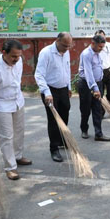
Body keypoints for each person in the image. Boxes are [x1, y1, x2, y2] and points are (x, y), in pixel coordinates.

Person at [0, 39, 31, 180]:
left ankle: (18, 156)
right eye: (13, 56)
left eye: (19, 56)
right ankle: (10, 167)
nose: (17, 59)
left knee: (19, 132)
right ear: (4, 52)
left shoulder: (19, 61)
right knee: (6, 137)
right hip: (1, 106)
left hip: (17, 102)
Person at [34, 33, 73, 162]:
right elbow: (39, 74)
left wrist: (68, 87)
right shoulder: (46, 53)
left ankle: (63, 140)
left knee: (65, 113)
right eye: (64, 45)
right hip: (50, 91)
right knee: (53, 119)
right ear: (57, 40)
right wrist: (46, 92)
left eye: (69, 46)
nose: (67, 48)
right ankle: (54, 148)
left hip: (63, 89)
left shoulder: (66, 51)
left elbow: (67, 69)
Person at [78, 35, 110, 141]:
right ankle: (84, 129)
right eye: (100, 47)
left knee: (97, 109)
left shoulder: (98, 53)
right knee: (86, 109)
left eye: (102, 47)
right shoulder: (86, 54)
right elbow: (88, 73)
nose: (101, 49)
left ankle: (98, 134)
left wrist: (99, 85)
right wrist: (94, 88)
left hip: (98, 83)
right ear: (93, 44)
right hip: (87, 84)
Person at [95, 30, 110, 108]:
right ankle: (101, 111)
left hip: (109, 71)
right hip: (98, 72)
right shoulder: (94, 47)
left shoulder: (109, 46)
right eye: (99, 36)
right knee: (100, 92)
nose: (101, 38)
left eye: (103, 36)